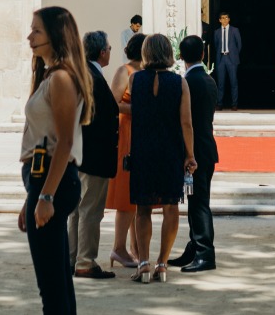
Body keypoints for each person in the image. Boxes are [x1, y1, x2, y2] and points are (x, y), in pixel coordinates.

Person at [15, 6, 87, 315]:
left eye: (36, 31)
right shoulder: (52, 75)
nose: (30, 37)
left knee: (51, 288)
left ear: (56, 36)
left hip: (51, 180)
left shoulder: (60, 78)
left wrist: (44, 197)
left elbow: (63, 143)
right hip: (43, 180)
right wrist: (32, 196)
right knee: (59, 282)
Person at [126, 32, 194, 283]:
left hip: (143, 148)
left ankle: (143, 262)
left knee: (142, 208)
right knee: (170, 206)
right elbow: (186, 123)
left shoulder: (134, 79)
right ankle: (162, 263)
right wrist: (190, 154)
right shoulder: (180, 83)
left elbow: (138, 111)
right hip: (170, 150)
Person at [71, 31, 120, 280]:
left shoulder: (84, 74)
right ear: (102, 52)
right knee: (90, 211)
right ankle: (85, 261)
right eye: (109, 48)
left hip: (82, 155)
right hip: (94, 155)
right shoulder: (92, 78)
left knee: (78, 210)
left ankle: (73, 257)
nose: (110, 51)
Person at [170, 34, 220, 273]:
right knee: (197, 201)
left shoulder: (187, 82)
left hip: (195, 150)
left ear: (180, 56)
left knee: (199, 203)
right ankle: (194, 247)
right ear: (203, 54)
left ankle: (204, 252)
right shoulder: (208, 80)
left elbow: (185, 121)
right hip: (206, 147)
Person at [106, 32, 143, 271]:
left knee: (136, 195)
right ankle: (118, 247)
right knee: (126, 194)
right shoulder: (125, 71)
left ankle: (135, 247)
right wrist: (138, 108)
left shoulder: (145, 72)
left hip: (139, 134)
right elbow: (113, 103)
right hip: (127, 134)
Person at [211, 12, 242, 110]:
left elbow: (239, 45)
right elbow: (216, 45)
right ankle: (219, 104)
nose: (224, 20)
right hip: (221, 59)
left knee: (233, 82)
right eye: (222, 18)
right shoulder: (216, 32)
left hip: (231, 59)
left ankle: (234, 104)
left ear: (229, 19)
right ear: (219, 20)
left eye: (226, 18)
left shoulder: (235, 30)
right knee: (220, 83)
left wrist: (234, 54)